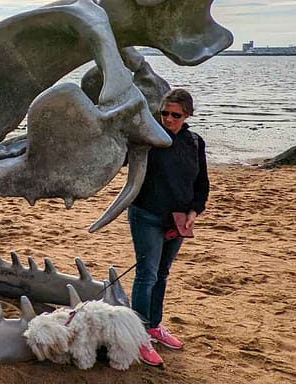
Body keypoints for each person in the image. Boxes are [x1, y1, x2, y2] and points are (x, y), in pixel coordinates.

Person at [129, 88, 209, 366]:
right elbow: (124, 159)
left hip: (178, 220)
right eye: (164, 113)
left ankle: (153, 326)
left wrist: (193, 212)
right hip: (146, 215)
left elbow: (201, 185)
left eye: (175, 115)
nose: (168, 119)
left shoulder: (195, 143)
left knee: (162, 274)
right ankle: (138, 337)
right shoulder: (149, 140)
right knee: (146, 275)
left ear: (187, 115)